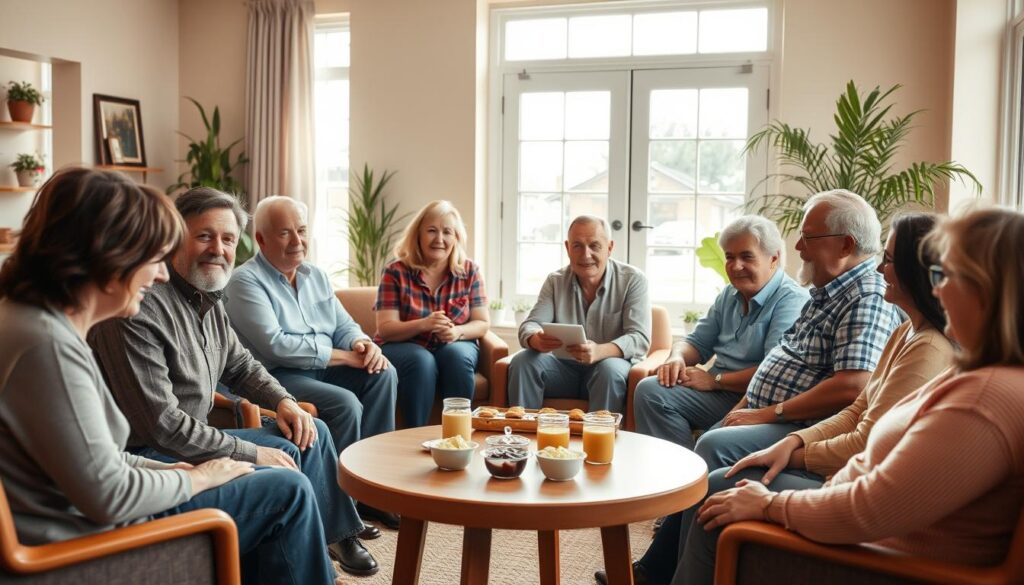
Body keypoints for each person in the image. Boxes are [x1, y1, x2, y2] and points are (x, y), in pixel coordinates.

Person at [0, 168, 337, 585]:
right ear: (106, 252)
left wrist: (178, 472)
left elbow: (106, 459)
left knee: (296, 453)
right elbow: (111, 490)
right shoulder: (48, 345)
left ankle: (313, 555)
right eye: (153, 257)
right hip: (82, 543)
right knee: (288, 489)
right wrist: (195, 476)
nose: (160, 274)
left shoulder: (37, 325)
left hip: (86, 513)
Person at [599, 212, 955, 585]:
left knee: (718, 470)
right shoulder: (903, 331)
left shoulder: (917, 340)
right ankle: (658, 563)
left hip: (846, 475)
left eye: (888, 259)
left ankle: (658, 572)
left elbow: (865, 432)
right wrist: (790, 442)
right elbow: (857, 409)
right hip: (786, 425)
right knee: (666, 404)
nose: (879, 267)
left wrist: (786, 438)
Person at [679, 207, 1024, 585]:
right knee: (724, 476)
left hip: (877, 563)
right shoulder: (965, 365)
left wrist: (770, 504)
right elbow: (860, 411)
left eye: (944, 274)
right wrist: (794, 441)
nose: (936, 288)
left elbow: (869, 509)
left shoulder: (981, 400)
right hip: (852, 517)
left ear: (987, 288)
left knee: (722, 489)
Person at [88, 187, 378, 577]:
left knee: (313, 434)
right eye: (204, 236)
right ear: (173, 239)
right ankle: (308, 556)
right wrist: (250, 453)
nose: (218, 249)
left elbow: (241, 365)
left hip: (195, 441)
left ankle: (335, 536)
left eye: (227, 239)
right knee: (283, 478)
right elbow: (162, 427)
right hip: (157, 455)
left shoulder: (207, 297)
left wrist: (284, 401)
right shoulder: (140, 306)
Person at [691, 189, 901, 474]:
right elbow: (782, 353)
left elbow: (853, 384)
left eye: (808, 237)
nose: (799, 247)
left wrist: (766, 413)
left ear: (845, 245)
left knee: (711, 448)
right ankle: (667, 519)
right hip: (766, 415)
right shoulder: (827, 291)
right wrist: (743, 407)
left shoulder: (866, 296)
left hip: (801, 428)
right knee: (701, 451)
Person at [224, 196, 399, 529]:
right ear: (261, 239)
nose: (297, 241)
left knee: (383, 373)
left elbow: (343, 324)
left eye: (301, 230)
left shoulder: (315, 275)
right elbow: (277, 346)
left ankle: (374, 494)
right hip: (277, 376)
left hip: (324, 368)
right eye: (285, 233)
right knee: (344, 403)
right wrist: (346, 356)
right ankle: (342, 507)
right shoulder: (244, 281)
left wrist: (361, 344)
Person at [633, 215, 809, 450]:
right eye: (730, 257)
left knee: (711, 441)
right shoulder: (729, 294)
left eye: (746, 256)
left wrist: (715, 380)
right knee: (649, 390)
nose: (736, 266)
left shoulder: (792, 301)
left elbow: (772, 371)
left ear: (774, 258)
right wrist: (677, 357)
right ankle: (677, 472)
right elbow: (696, 342)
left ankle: (691, 476)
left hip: (756, 400)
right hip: (720, 393)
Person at [508, 215, 651, 414]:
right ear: (567, 248)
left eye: (594, 246)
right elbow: (530, 324)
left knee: (610, 370)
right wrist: (535, 339)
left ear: (609, 248)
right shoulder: (555, 281)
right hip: (562, 371)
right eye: (577, 246)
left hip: (607, 368)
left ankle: (600, 442)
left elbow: (639, 338)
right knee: (523, 361)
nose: (586, 255)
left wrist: (599, 351)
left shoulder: (633, 280)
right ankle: (522, 437)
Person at [373, 200, 490, 427]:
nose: (439, 239)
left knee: (456, 356)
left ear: (456, 237)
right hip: (404, 346)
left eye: (447, 232)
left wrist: (457, 332)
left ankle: (458, 434)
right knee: (421, 361)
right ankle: (414, 435)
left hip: (455, 343)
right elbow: (386, 329)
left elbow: (482, 323)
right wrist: (423, 324)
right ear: (418, 235)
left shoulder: (469, 271)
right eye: (431, 231)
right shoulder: (395, 271)